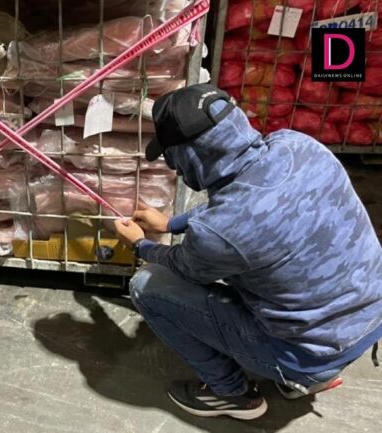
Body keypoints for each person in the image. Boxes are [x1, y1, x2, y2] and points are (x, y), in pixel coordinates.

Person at [114, 83, 381, 420]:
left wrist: (141, 244)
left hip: (310, 354)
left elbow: (183, 265)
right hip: (371, 318)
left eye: (171, 156)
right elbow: (249, 205)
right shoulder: (298, 146)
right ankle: (307, 375)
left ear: (189, 154)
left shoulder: (219, 232)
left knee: (148, 285)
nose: (174, 168)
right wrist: (171, 224)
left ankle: (231, 394)